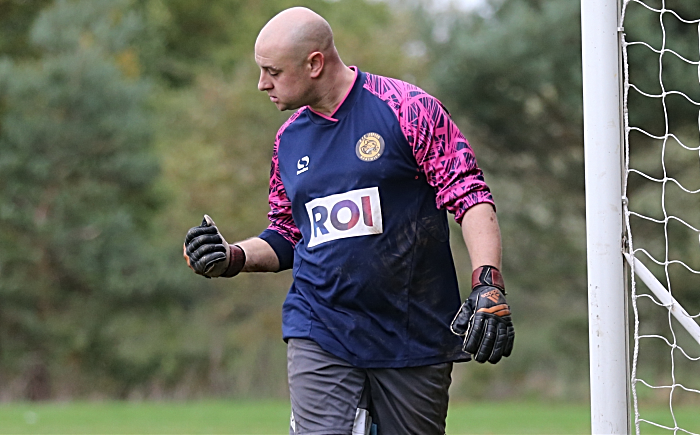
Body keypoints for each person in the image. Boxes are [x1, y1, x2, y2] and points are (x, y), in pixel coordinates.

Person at [183, 7, 514, 435]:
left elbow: (470, 198)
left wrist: (487, 281)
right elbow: (288, 233)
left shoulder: (408, 110)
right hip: (320, 324)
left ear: (315, 63)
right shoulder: (288, 140)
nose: (262, 83)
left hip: (414, 332)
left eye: (272, 71)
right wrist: (231, 256)